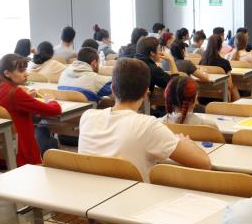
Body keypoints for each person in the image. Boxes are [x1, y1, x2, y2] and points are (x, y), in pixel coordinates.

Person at [78, 58, 211, 181]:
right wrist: (186, 142)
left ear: (112, 88)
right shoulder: (148, 126)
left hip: (88, 197)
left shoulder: (87, 117)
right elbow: (204, 163)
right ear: (146, 93)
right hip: (131, 202)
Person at [0, 54, 62, 166]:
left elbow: (10, 106)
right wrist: (51, 100)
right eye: (21, 71)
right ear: (7, 73)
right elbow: (55, 111)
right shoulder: (15, 93)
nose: (26, 74)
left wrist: (27, 97)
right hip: (19, 153)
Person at [201, 35, 240, 101]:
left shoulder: (201, 62)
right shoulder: (225, 63)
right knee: (234, 88)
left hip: (202, 96)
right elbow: (230, 85)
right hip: (221, 97)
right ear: (220, 46)